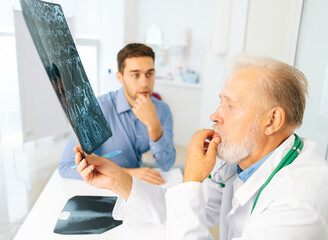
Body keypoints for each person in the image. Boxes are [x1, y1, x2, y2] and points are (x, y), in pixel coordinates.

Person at [74, 53, 328, 239]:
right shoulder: (241, 164)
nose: (215, 115)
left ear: (272, 120)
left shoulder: (295, 205)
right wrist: (118, 179)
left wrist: (192, 178)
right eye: (221, 102)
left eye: (230, 105)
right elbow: (180, 209)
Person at [59, 43, 176, 185]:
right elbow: (66, 166)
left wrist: (154, 126)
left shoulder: (162, 110)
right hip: (106, 186)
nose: (145, 82)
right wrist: (127, 173)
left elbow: (166, 164)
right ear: (120, 77)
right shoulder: (98, 109)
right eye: (135, 75)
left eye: (149, 74)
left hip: (137, 187)